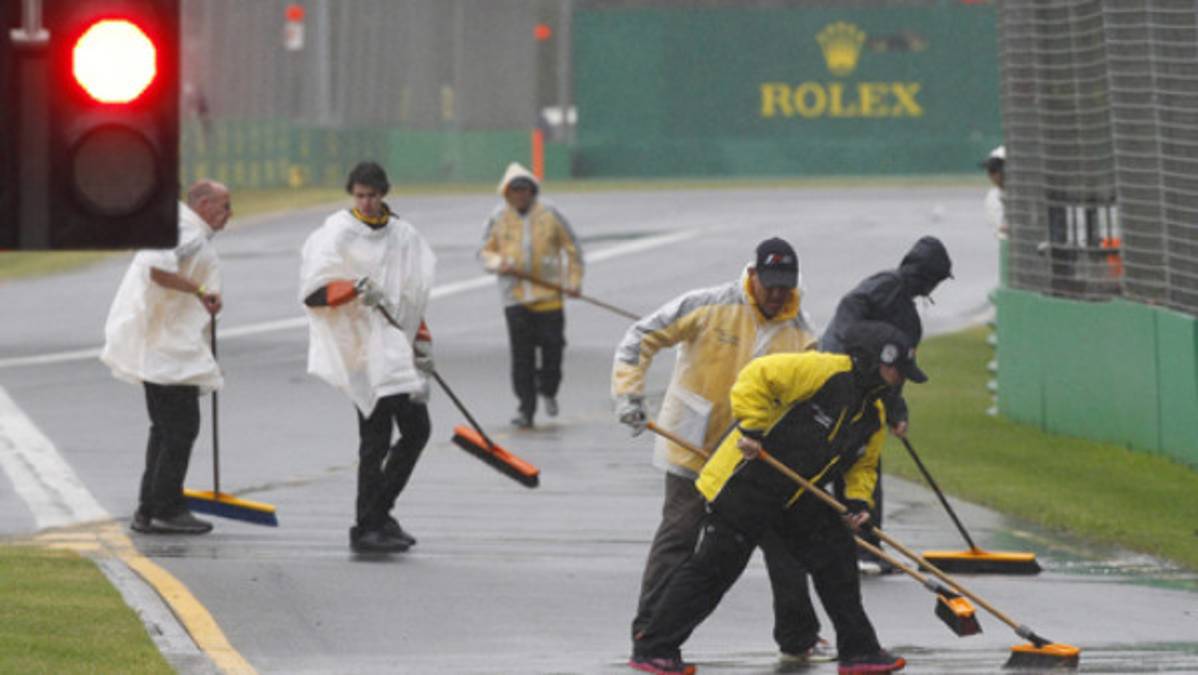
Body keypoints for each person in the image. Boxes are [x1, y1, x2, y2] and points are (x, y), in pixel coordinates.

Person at [628, 321, 923, 675]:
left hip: (793, 494)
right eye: (897, 370)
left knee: (836, 555)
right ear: (873, 359)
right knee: (714, 570)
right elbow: (756, 376)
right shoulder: (824, 371)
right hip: (745, 482)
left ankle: (859, 651)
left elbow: (863, 465)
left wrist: (859, 503)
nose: (900, 379)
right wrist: (753, 428)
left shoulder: (873, 412)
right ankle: (654, 648)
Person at [612, 237, 834, 664]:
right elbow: (641, 337)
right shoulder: (708, 305)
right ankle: (648, 628)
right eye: (770, 284)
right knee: (679, 536)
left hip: (754, 458)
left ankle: (799, 636)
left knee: (784, 544)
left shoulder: (804, 334)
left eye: (785, 285)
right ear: (752, 275)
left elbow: (809, 401)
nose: (777, 294)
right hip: (693, 447)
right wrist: (629, 396)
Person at [299, 161, 436, 554]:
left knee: (416, 430)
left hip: (396, 346)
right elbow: (315, 292)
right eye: (360, 196)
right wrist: (355, 288)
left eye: (373, 195)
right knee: (375, 438)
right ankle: (366, 525)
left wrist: (421, 341)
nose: (367, 202)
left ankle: (379, 512)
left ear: (384, 193)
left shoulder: (403, 235)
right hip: (360, 348)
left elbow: (413, 294)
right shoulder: (337, 233)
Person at [101, 180, 232, 535]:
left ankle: (149, 508)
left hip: (167, 347)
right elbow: (157, 270)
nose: (229, 214)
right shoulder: (185, 232)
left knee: (165, 430)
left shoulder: (183, 228)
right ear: (203, 205)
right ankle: (165, 508)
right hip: (166, 350)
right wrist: (200, 290)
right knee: (179, 430)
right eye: (224, 206)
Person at [820, 236, 952, 573]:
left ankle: (864, 547)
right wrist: (851, 357)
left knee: (863, 464)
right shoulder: (884, 287)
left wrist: (896, 412)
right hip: (837, 386)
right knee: (839, 462)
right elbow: (849, 314)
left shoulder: (908, 318)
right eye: (932, 279)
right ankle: (847, 547)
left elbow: (895, 374)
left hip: (864, 393)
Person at [479, 162, 583, 429]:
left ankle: (548, 389)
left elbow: (572, 248)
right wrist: (498, 263)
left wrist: (573, 282)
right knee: (521, 357)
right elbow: (484, 252)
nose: (520, 194)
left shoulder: (550, 213)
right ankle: (526, 408)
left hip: (549, 295)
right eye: (514, 190)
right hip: (515, 298)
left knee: (553, 349)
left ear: (532, 190)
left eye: (524, 189)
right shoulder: (498, 217)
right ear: (506, 192)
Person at [981, 145, 1009, 286]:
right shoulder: (992, 198)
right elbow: (1001, 231)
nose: (991, 175)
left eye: (994, 170)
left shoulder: (1030, 194)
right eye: (990, 170)